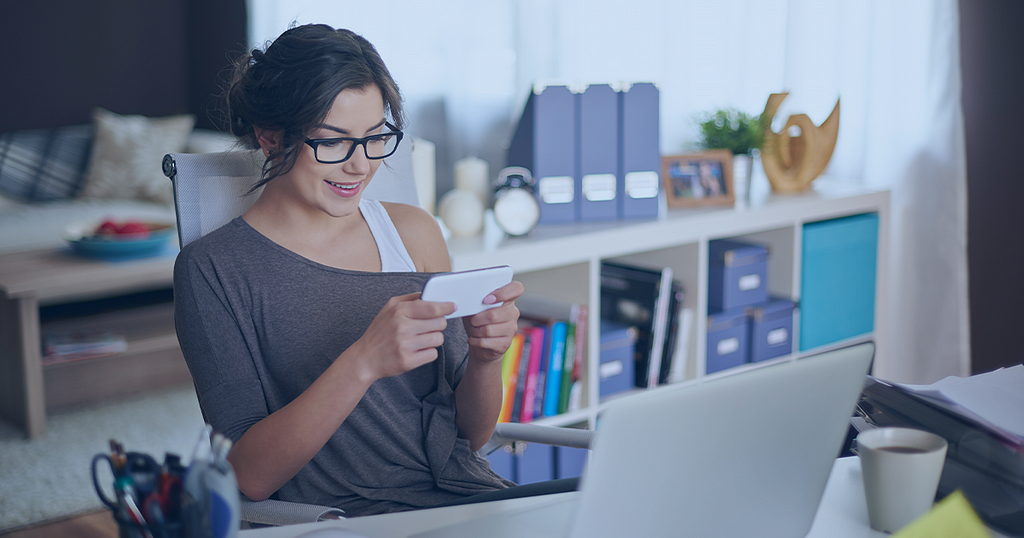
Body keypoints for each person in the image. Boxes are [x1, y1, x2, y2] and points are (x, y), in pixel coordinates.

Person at [173, 23, 528, 516]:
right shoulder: (213, 269)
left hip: (467, 501)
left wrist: (489, 360)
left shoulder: (415, 234)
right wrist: (363, 362)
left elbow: (471, 436)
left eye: (374, 138)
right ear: (270, 138)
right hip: (343, 520)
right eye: (333, 142)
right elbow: (248, 476)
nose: (360, 166)